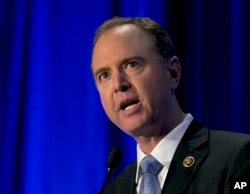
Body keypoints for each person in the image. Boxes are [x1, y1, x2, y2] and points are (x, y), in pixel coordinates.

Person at [91, 17, 250, 194]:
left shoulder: (238, 157)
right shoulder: (113, 191)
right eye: (104, 75)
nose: (118, 84)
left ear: (172, 73)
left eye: (131, 64)